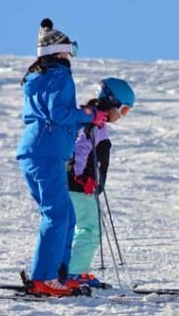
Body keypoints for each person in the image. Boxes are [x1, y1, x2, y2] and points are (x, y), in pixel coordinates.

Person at [16, 18, 108, 296]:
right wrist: (90, 114)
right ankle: (43, 278)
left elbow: (56, 116)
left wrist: (85, 117)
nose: (71, 57)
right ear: (59, 51)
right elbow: (59, 114)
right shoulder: (60, 76)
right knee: (57, 214)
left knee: (65, 215)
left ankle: (58, 276)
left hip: (39, 150)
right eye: (71, 51)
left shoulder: (39, 76)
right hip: (47, 152)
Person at [67, 78, 135, 288]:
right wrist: (79, 176)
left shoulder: (94, 122)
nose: (122, 116)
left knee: (83, 228)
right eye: (123, 110)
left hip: (81, 186)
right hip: (80, 186)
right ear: (112, 102)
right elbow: (79, 149)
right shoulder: (94, 125)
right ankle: (75, 273)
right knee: (90, 229)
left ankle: (71, 271)